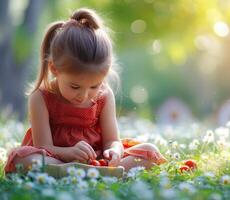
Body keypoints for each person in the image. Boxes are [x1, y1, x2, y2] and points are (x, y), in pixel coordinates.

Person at [4, 8, 166, 174]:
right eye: (75, 87)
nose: (83, 95)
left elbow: (112, 140)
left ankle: (89, 172)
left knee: (148, 151)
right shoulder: (40, 97)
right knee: (21, 158)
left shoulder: (105, 96)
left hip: (97, 159)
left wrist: (114, 151)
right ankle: (79, 172)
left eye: (94, 86)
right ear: (54, 69)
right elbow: (43, 146)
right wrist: (68, 153)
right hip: (56, 158)